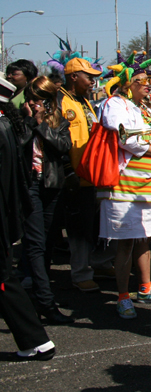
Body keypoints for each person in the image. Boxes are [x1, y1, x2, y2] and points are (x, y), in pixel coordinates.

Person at [98, 52, 151, 319]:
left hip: (149, 182)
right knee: (124, 243)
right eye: (141, 80)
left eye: (148, 80)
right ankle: (122, 296)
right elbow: (121, 135)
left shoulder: (148, 108)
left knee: (144, 238)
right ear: (126, 84)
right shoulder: (115, 104)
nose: (148, 84)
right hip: (125, 184)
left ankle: (145, 288)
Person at [0, 77, 56, 361]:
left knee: (5, 281)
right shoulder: (8, 126)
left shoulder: (3, 127)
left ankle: (36, 340)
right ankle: (35, 340)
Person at [57, 57, 116, 294]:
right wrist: (68, 171)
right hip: (74, 177)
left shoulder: (85, 101)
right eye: (88, 77)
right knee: (79, 228)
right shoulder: (61, 101)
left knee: (97, 224)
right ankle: (80, 272)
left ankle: (99, 263)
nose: (93, 81)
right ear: (73, 77)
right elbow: (59, 141)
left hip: (93, 175)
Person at [19, 76, 75, 324]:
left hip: (51, 185)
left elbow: (63, 146)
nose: (36, 104)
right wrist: (30, 121)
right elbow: (18, 146)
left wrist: (42, 124)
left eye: (42, 100)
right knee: (35, 243)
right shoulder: (20, 121)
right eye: (32, 100)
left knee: (47, 241)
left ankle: (36, 292)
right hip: (28, 184)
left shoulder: (59, 122)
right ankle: (44, 301)